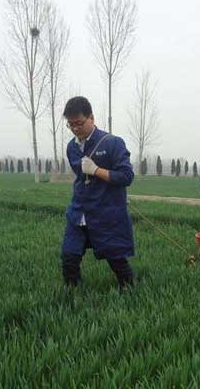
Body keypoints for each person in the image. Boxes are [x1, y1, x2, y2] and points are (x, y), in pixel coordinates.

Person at [60, 96, 135, 289]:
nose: (75, 129)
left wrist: (96, 170)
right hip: (79, 211)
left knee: (115, 257)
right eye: (70, 125)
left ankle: (130, 290)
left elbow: (126, 176)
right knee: (69, 255)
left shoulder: (112, 143)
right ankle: (72, 295)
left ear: (91, 118)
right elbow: (80, 178)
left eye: (79, 123)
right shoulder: (71, 147)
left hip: (105, 211)